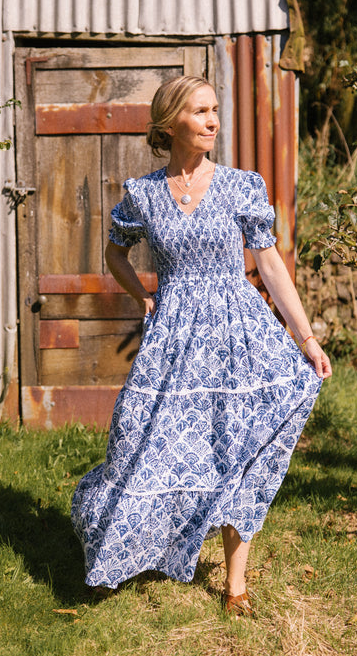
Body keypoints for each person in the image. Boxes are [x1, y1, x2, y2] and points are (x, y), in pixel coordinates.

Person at [71, 75, 332, 616]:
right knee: (137, 438)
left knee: (239, 445)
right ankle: (116, 551)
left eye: (216, 110)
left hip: (240, 335)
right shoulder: (142, 194)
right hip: (173, 337)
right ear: (171, 124)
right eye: (200, 111)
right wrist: (144, 298)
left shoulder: (241, 185)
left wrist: (304, 336)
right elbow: (115, 254)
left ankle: (235, 585)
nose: (213, 120)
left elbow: (269, 263)